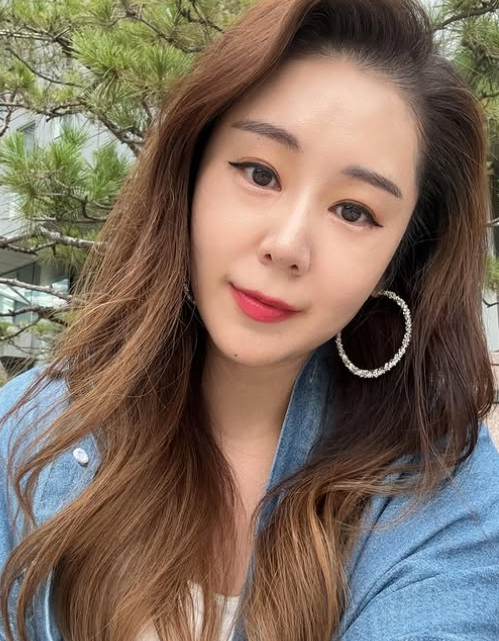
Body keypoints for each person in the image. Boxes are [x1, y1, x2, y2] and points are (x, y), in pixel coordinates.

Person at [1, 0, 499, 639]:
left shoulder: (441, 493)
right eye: (260, 173)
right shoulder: (32, 431)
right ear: (190, 174)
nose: (287, 245)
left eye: (354, 212)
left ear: (398, 259)